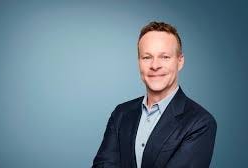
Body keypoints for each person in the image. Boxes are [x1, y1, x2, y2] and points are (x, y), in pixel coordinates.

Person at [92, 21, 217, 168]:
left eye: (164, 57)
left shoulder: (200, 123)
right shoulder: (121, 113)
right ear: (139, 62)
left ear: (180, 61)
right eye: (147, 57)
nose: (155, 65)